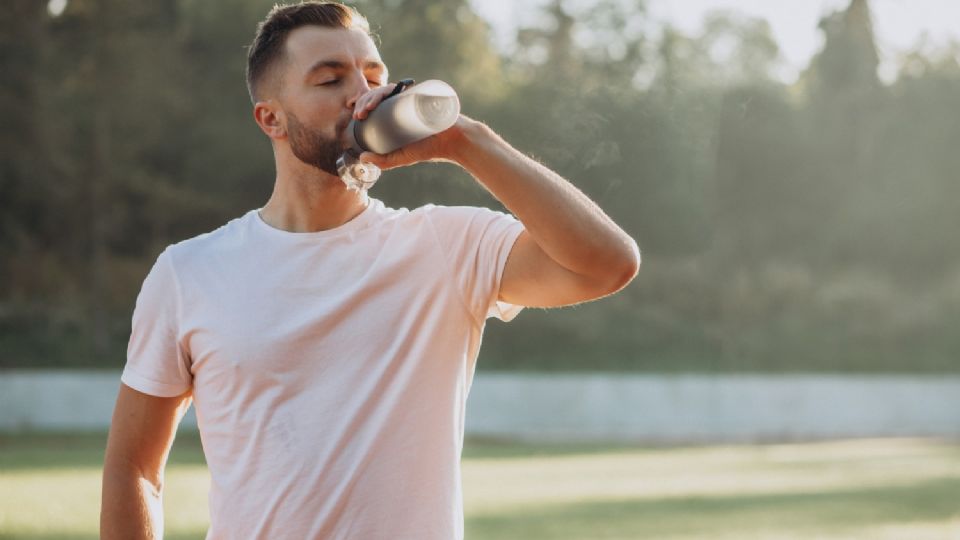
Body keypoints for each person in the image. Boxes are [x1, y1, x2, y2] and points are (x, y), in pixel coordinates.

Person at [100, 2, 639, 539]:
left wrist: (465, 141)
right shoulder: (188, 273)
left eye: (375, 75)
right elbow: (134, 470)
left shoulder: (446, 245)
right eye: (331, 78)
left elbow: (608, 264)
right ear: (271, 118)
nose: (362, 93)